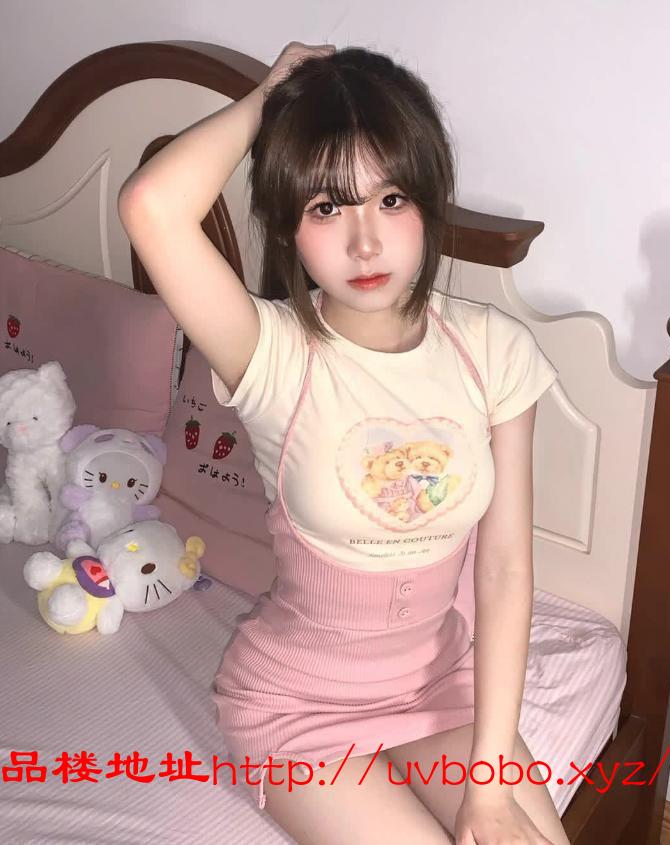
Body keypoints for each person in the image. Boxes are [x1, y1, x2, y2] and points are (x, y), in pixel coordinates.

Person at [118, 40, 571, 845]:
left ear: (429, 200)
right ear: (289, 227)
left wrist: (491, 785)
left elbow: (504, 568)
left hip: (440, 688)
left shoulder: (494, 351)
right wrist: (270, 97)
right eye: (327, 207)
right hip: (299, 709)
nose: (366, 243)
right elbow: (152, 205)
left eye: (391, 198)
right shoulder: (271, 352)